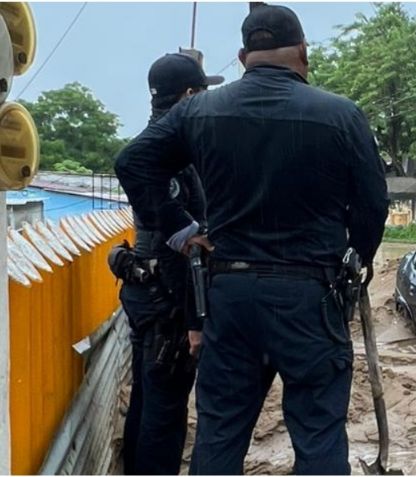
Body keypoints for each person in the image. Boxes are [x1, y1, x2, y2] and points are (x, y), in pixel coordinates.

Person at [114, 4, 389, 475]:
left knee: (220, 436)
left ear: (242, 56)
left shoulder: (200, 110)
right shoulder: (342, 116)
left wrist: (182, 230)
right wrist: (353, 263)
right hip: (313, 297)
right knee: (319, 435)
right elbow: (373, 207)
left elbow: (133, 163)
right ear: (303, 52)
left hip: (231, 297)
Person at [115, 52, 222, 475]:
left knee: (147, 400)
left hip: (146, 295)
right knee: (165, 413)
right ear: (189, 96)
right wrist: (196, 321)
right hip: (168, 302)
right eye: (203, 94)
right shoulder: (168, 155)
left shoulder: (156, 145)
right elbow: (184, 251)